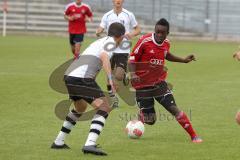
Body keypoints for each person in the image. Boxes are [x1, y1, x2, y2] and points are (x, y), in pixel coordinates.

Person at [51, 22, 126, 156]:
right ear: (120, 36)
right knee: (104, 107)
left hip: (70, 76)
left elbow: (96, 65)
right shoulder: (110, 43)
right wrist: (110, 79)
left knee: (80, 108)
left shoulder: (101, 41)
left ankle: (59, 141)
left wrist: (106, 82)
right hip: (80, 78)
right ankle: (90, 144)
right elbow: (104, 58)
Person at [129, 18, 203, 143]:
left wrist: (183, 60)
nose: (159, 35)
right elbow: (132, 58)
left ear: (167, 33)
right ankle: (142, 115)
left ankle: (194, 136)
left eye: (162, 33)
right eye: (157, 32)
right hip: (142, 86)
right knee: (151, 120)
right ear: (154, 31)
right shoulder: (144, 41)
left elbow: (166, 55)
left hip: (159, 83)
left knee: (174, 108)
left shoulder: (166, 43)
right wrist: (132, 74)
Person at [96, 0, 141, 97]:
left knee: (118, 76)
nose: (118, 1)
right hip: (110, 49)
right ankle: (113, 98)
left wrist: (130, 34)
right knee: (110, 75)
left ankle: (123, 74)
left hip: (123, 49)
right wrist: (98, 31)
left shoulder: (129, 14)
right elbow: (101, 27)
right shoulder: (107, 15)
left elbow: (137, 29)